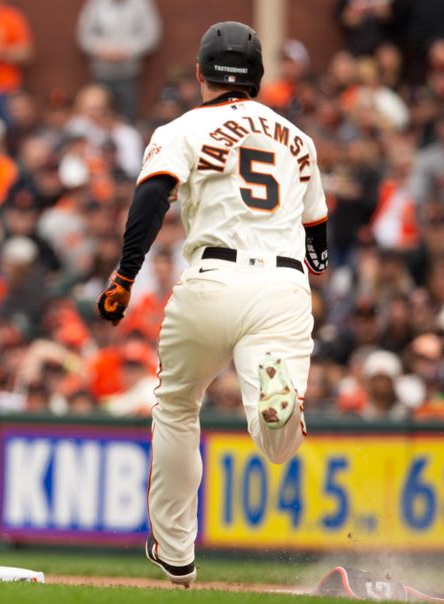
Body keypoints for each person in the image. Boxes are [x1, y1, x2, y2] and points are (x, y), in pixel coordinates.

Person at [97, 21, 328, 586]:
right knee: (275, 444)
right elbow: (318, 240)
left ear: (201, 73)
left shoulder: (184, 126)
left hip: (212, 279)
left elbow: (152, 197)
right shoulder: (298, 138)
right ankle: (275, 403)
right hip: (282, 285)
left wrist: (126, 273)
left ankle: (176, 550)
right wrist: (308, 263)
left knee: (177, 406)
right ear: (257, 78)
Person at [76, 0, 162, 123]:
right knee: (97, 116)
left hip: (130, 73)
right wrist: (101, 49)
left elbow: (151, 35)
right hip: (101, 72)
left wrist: (128, 50)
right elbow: (84, 35)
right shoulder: (96, 4)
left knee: (128, 118)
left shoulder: (141, 4)